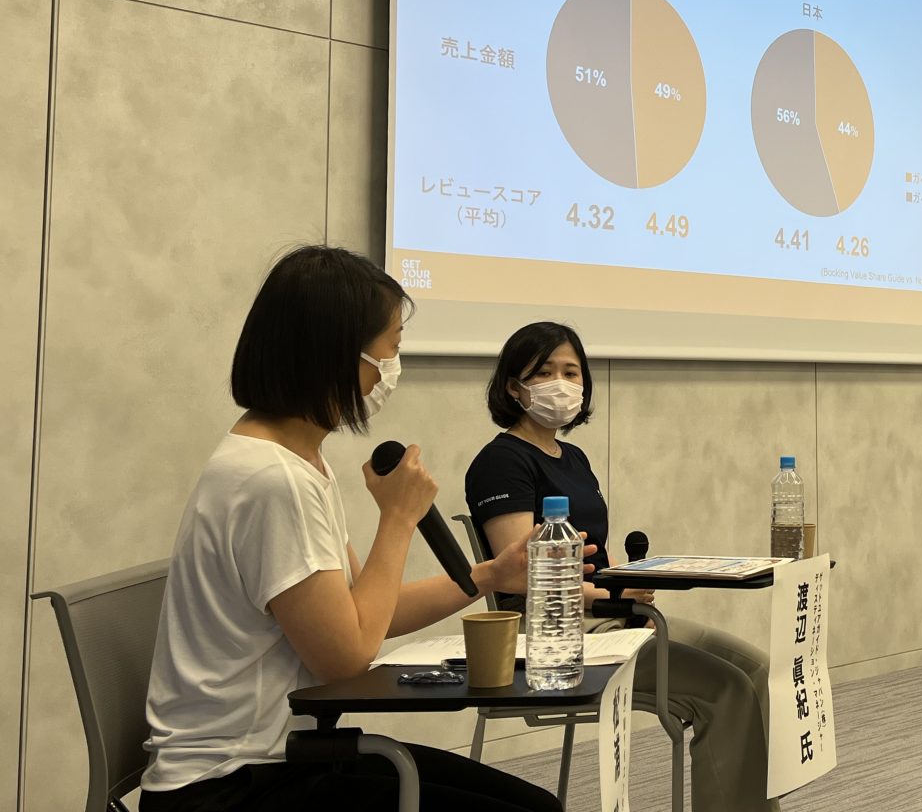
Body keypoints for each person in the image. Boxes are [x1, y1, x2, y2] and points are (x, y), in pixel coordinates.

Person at [139, 246, 563, 812]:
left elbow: (368, 612)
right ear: (340, 354)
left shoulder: (297, 462)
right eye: (392, 346)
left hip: (285, 760)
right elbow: (345, 659)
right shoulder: (271, 479)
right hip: (230, 786)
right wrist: (397, 518)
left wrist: (488, 575)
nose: (394, 365)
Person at [465, 322, 778, 812]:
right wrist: (614, 598)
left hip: (613, 617)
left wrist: (633, 587)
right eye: (544, 372)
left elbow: (597, 556)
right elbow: (525, 577)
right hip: (556, 635)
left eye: (571, 372)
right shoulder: (501, 461)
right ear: (513, 386)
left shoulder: (573, 457)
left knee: (757, 669)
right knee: (727, 690)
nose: (560, 383)